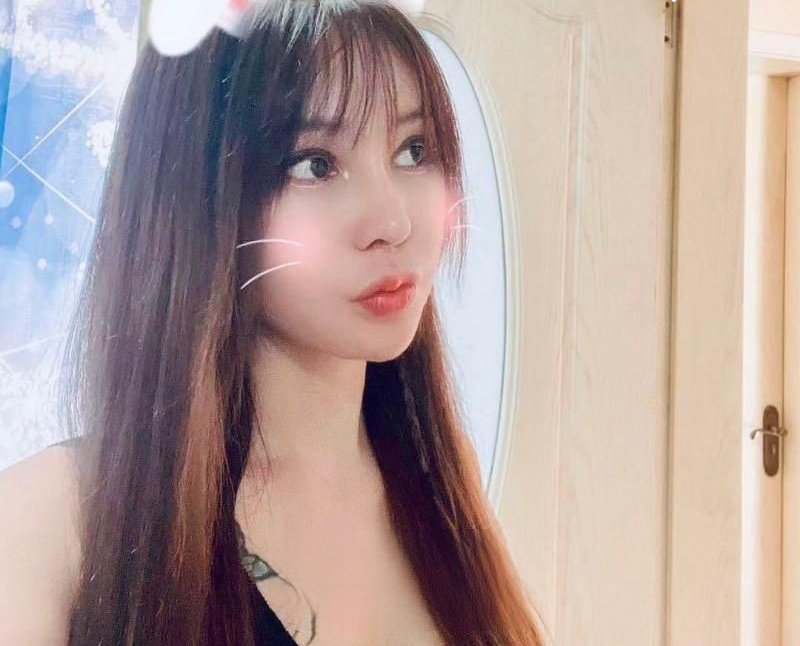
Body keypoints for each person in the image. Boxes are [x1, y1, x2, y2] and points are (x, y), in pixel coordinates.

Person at [0, 1, 548, 644]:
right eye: (315, 164)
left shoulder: (441, 493)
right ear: (197, 191)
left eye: (413, 150)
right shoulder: (56, 519)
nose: (392, 221)